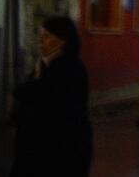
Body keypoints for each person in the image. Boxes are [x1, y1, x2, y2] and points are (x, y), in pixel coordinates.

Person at [10, 16, 91, 176]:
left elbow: (40, 98)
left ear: (62, 41)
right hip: (42, 147)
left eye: (47, 37)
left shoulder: (69, 69)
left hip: (59, 149)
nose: (41, 41)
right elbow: (21, 92)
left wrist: (36, 81)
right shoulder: (45, 63)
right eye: (40, 36)